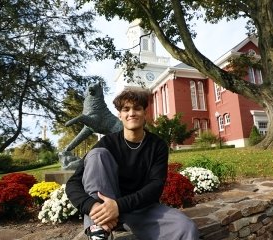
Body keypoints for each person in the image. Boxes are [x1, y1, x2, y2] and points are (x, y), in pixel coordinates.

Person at [66, 87, 199, 240]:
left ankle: (105, 218)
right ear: (120, 115)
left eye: (137, 108)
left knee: (187, 228)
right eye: (126, 109)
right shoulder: (106, 143)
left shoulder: (157, 145)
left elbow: (155, 187)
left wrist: (118, 206)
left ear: (145, 113)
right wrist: (92, 206)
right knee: (97, 155)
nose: (131, 113)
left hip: (142, 209)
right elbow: (73, 183)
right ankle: (99, 229)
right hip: (104, 211)